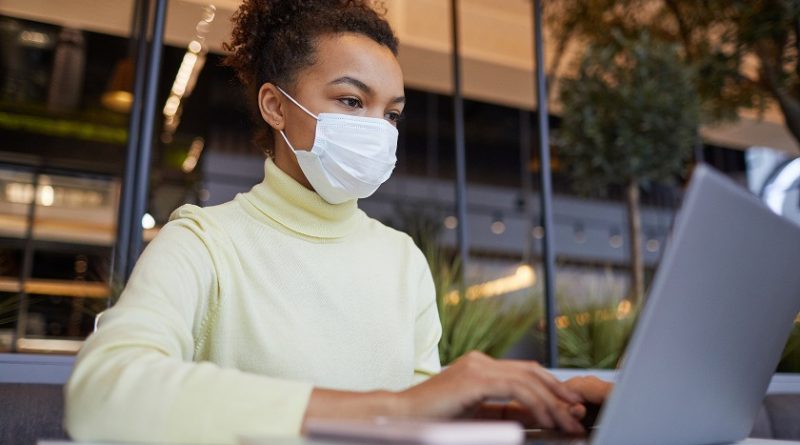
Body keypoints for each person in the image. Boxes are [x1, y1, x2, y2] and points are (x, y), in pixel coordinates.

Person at [64, 1, 611, 443]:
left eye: (391, 113)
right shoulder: (205, 242)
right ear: (275, 107)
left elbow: (420, 422)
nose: (377, 128)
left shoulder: (402, 260)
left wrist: (542, 406)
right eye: (352, 101)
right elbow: (101, 392)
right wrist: (390, 410)